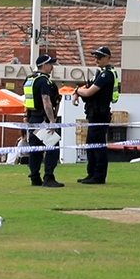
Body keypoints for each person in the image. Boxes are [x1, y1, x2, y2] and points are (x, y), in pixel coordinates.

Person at [74, 46, 119, 184]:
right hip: (94, 114)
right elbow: (86, 89)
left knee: (98, 146)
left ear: (108, 58)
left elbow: (88, 92)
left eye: (99, 57)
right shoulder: (99, 73)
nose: (96, 59)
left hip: (100, 114)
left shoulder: (107, 74)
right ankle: (91, 174)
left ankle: (98, 176)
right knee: (91, 144)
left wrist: (77, 90)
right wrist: (79, 92)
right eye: (95, 57)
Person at [23, 54, 64, 187]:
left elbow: (28, 101)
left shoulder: (29, 79)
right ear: (44, 65)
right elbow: (46, 101)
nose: (52, 67)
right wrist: (52, 121)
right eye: (51, 64)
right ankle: (49, 177)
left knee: (35, 150)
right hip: (43, 119)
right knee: (53, 147)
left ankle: (35, 177)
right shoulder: (44, 81)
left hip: (32, 118)